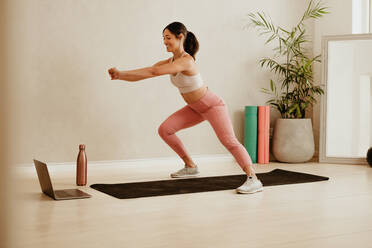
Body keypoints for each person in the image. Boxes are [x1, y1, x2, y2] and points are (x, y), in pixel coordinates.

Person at [108, 22, 263, 194]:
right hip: (195, 107)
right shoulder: (170, 61)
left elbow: (153, 72)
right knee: (165, 130)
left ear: (180, 37)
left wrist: (122, 74)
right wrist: (120, 75)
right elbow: (149, 71)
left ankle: (253, 178)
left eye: (168, 38)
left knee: (228, 141)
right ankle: (190, 166)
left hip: (212, 105)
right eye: (163, 38)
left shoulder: (187, 61)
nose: (165, 42)